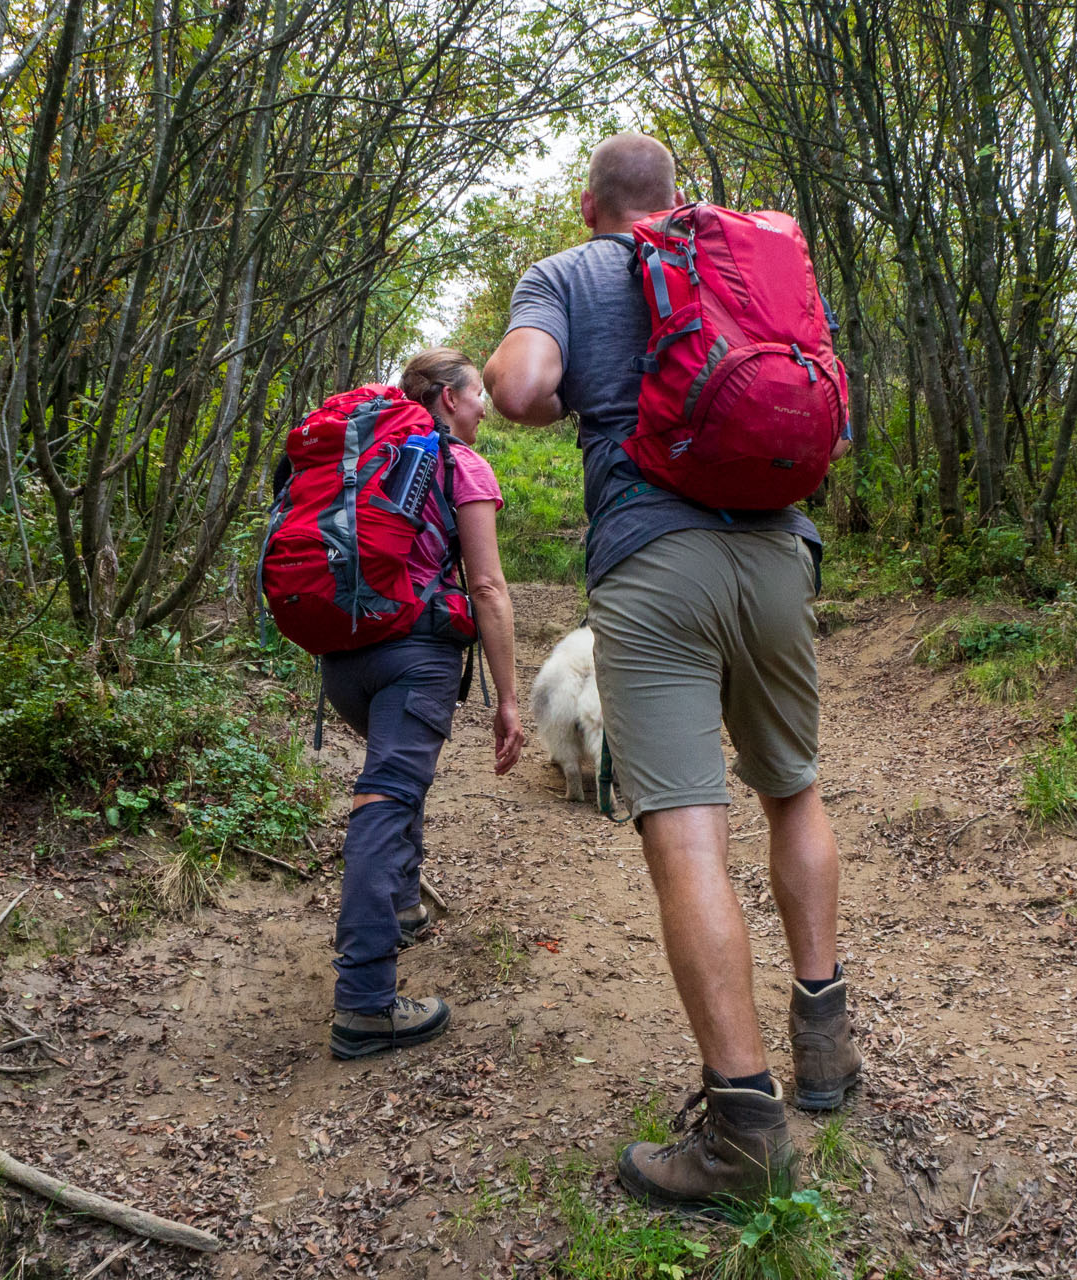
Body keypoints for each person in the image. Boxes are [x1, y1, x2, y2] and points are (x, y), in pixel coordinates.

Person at [483, 135, 861, 1206]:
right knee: (793, 789)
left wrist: (573, 394)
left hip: (656, 561)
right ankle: (825, 1049)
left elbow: (518, 386)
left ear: (591, 201)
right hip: (781, 549)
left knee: (687, 826)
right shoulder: (737, 256)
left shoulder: (568, 270)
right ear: (677, 201)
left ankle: (744, 1131)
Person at [323, 347, 524, 1059]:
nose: (483, 408)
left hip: (341, 658)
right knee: (386, 795)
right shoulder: (458, 463)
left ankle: (402, 904)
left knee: (395, 783)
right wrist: (508, 697)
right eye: (475, 396)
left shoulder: (367, 455)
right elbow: (489, 589)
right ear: (447, 397)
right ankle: (366, 1004)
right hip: (416, 655)